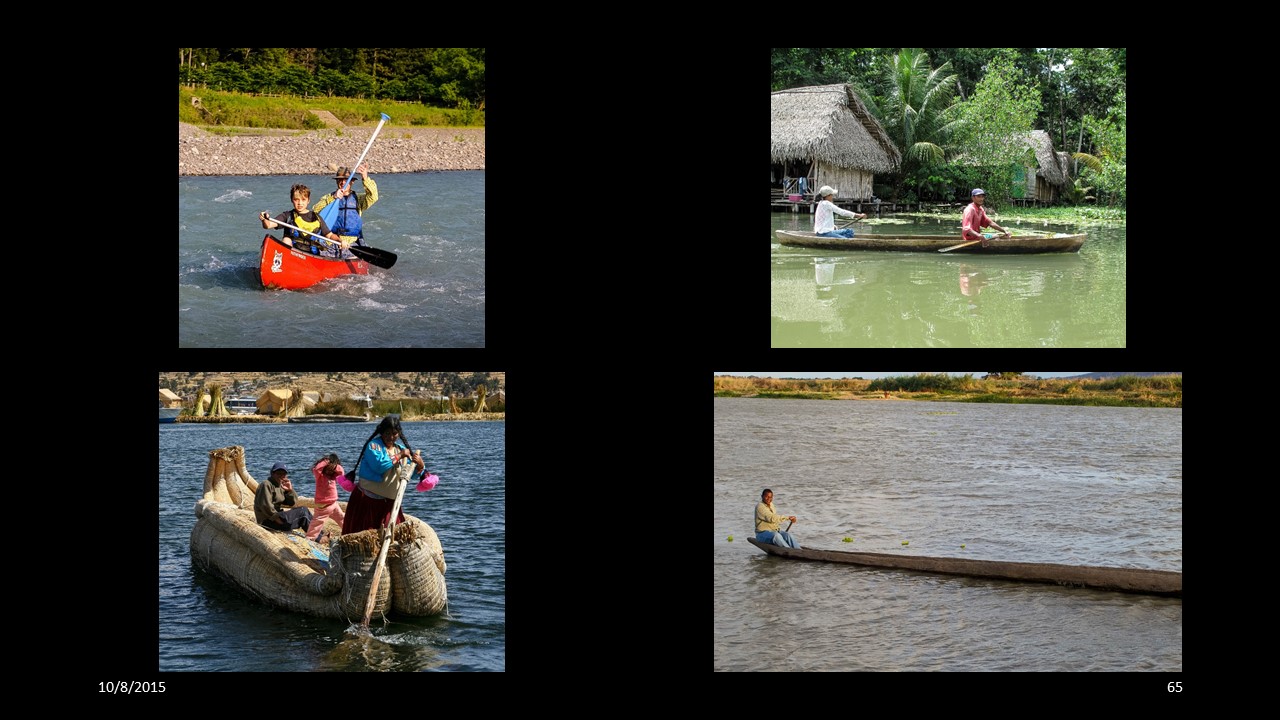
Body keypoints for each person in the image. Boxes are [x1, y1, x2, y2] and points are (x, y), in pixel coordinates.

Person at [341, 415, 427, 535]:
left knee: (392, 538)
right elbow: (379, 466)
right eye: (387, 433)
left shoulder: (400, 449)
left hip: (389, 505)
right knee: (364, 537)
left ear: (399, 433)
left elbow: (411, 475)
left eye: (394, 433)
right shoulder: (373, 446)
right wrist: (399, 456)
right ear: (381, 432)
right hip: (367, 502)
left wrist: (420, 466)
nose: (391, 437)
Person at [312, 163, 378, 258]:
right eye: (340, 180)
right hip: (331, 242)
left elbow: (373, 197)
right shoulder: (329, 197)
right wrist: (333, 198)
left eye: (346, 180)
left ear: (352, 182)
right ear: (336, 182)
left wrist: (365, 178)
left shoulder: (358, 199)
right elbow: (315, 210)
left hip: (351, 243)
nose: (343, 182)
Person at [260, 184, 341, 253]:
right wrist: (264, 219)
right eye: (296, 200)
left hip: (312, 256)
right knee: (286, 240)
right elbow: (268, 225)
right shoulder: (288, 216)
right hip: (292, 254)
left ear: (308, 201)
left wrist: (339, 241)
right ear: (292, 200)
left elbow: (329, 235)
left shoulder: (317, 218)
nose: (300, 203)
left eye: (303, 200)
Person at [254, 462, 314, 532]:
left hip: (278, 518)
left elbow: (292, 503)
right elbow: (266, 506)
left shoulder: (281, 486)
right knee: (303, 511)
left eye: (284, 474)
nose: (281, 476)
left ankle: (318, 536)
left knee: (304, 512)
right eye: (278, 473)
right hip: (268, 521)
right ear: (272, 474)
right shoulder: (266, 484)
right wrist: (279, 520)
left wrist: (289, 490)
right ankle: (318, 537)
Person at [306, 453, 347, 545]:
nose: (329, 470)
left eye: (332, 469)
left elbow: (341, 473)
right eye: (327, 468)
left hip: (333, 504)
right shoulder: (320, 476)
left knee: (342, 518)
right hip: (323, 506)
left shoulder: (333, 477)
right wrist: (327, 461)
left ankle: (349, 531)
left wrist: (335, 465)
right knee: (317, 523)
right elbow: (317, 468)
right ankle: (309, 539)